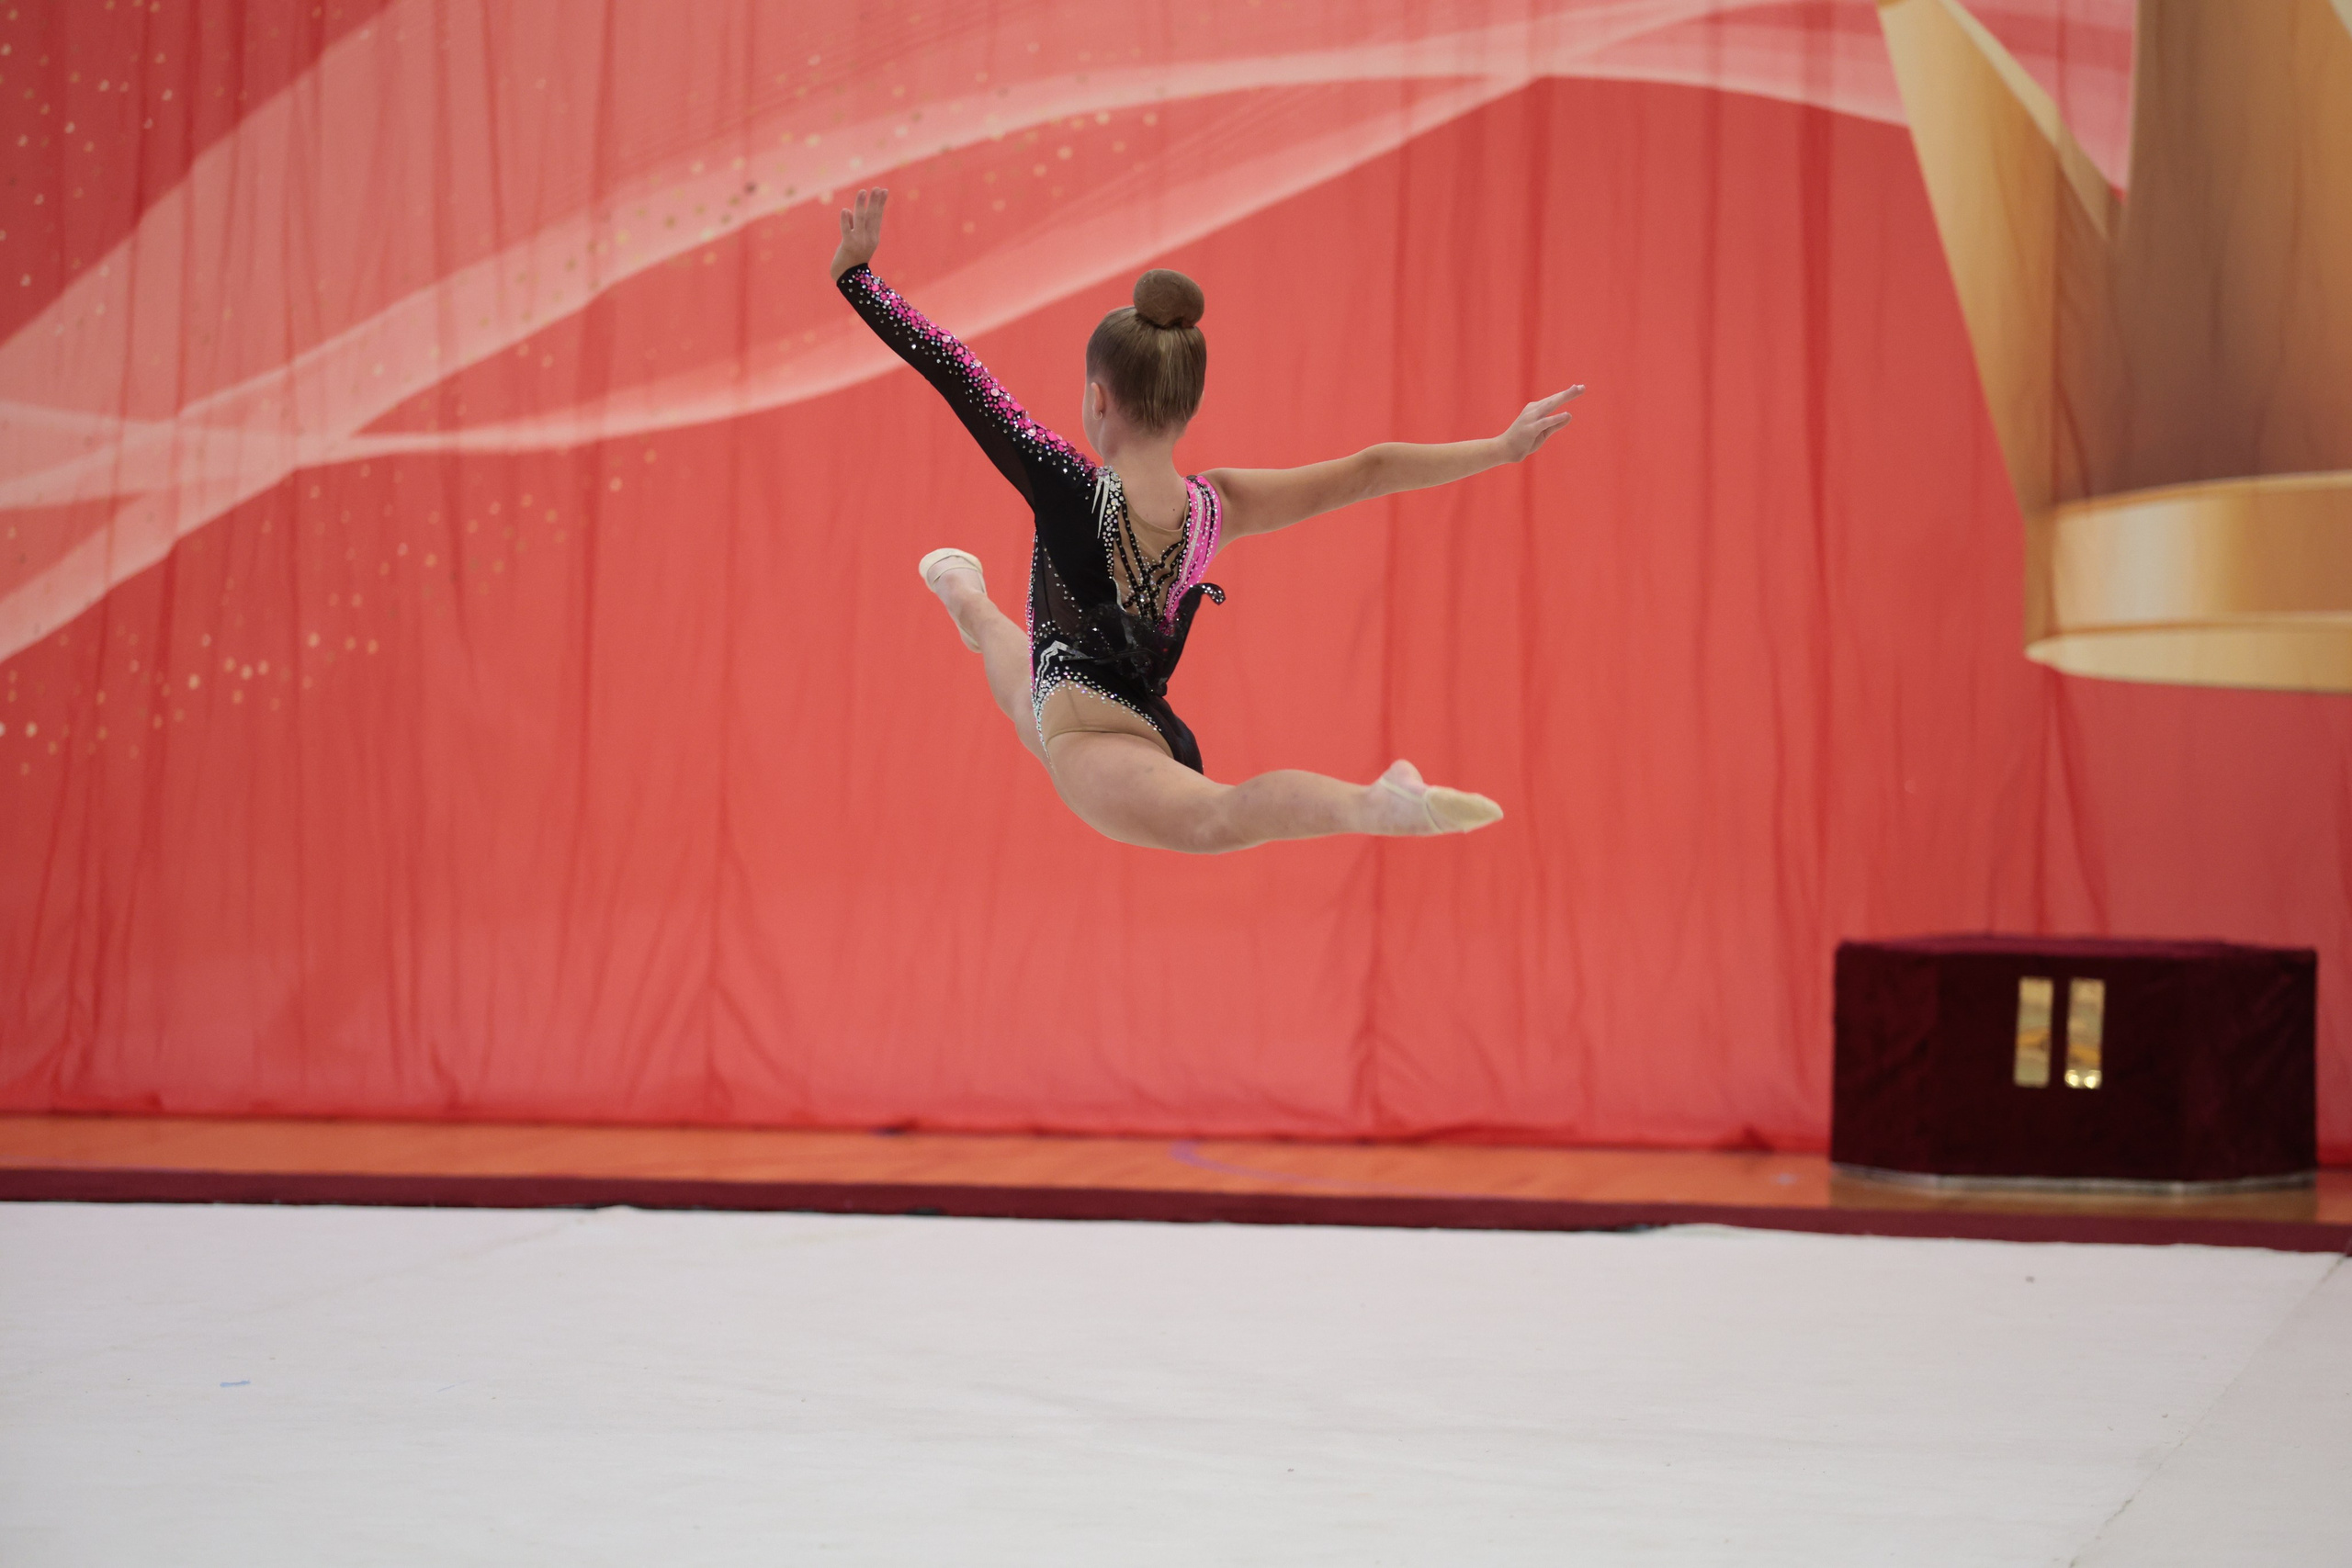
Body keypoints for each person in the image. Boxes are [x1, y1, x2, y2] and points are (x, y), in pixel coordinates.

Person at [831, 186, 1581, 854]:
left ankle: (1379, 801)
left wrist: (858, 278)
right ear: (1188, 407)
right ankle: (962, 593)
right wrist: (1500, 448)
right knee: (1041, 687)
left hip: (1085, 732)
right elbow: (1369, 469)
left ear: (1098, 399)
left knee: (1176, 789)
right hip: (1127, 726)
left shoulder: (1067, 483)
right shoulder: (1215, 507)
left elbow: (956, 370)